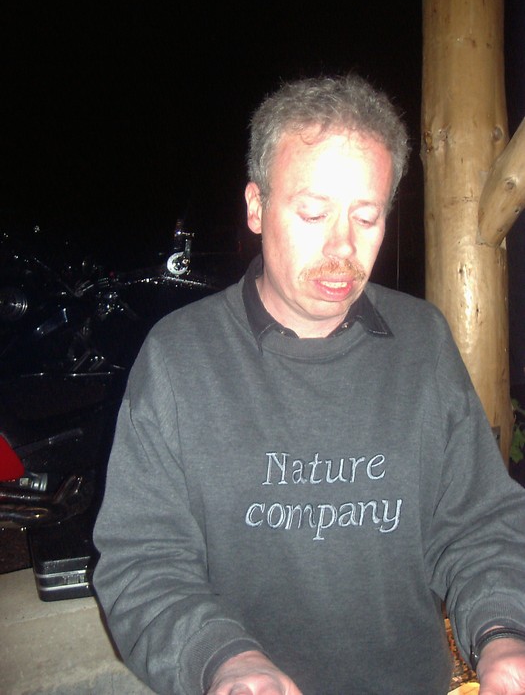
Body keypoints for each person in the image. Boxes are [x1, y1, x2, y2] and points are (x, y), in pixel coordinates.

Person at [93, 74, 525, 695]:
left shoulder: (422, 342)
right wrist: (224, 661)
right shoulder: (178, 358)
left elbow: (478, 523)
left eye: (367, 217)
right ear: (256, 207)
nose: (342, 246)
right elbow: (142, 561)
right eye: (314, 213)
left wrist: (504, 632)